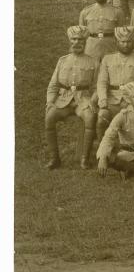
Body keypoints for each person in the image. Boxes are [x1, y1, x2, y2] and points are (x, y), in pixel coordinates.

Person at [44, 24, 100, 169]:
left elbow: (97, 86)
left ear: (85, 42)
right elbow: (53, 85)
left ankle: (84, 159)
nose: (77, 43)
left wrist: (93, 101)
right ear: (70, 41)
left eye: (80, 40)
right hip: (64, 100)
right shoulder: (62, 60)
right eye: (74, 39)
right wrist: (50, 102)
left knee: (90, 117)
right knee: (49, 117)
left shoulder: (93, 61)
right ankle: (54, 159)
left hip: (83, 100)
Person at [96, 24, 134, 132]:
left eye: (129, 42)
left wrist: (132, 99)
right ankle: (102, 145)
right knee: (102, 116)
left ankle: (130, 146)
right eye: (122, 41)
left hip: (132, 100)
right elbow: (102, 82)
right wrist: (103, 99)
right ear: (117, 42)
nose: (126, 45)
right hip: (112, 99)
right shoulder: (107, 59)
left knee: (133, 122)